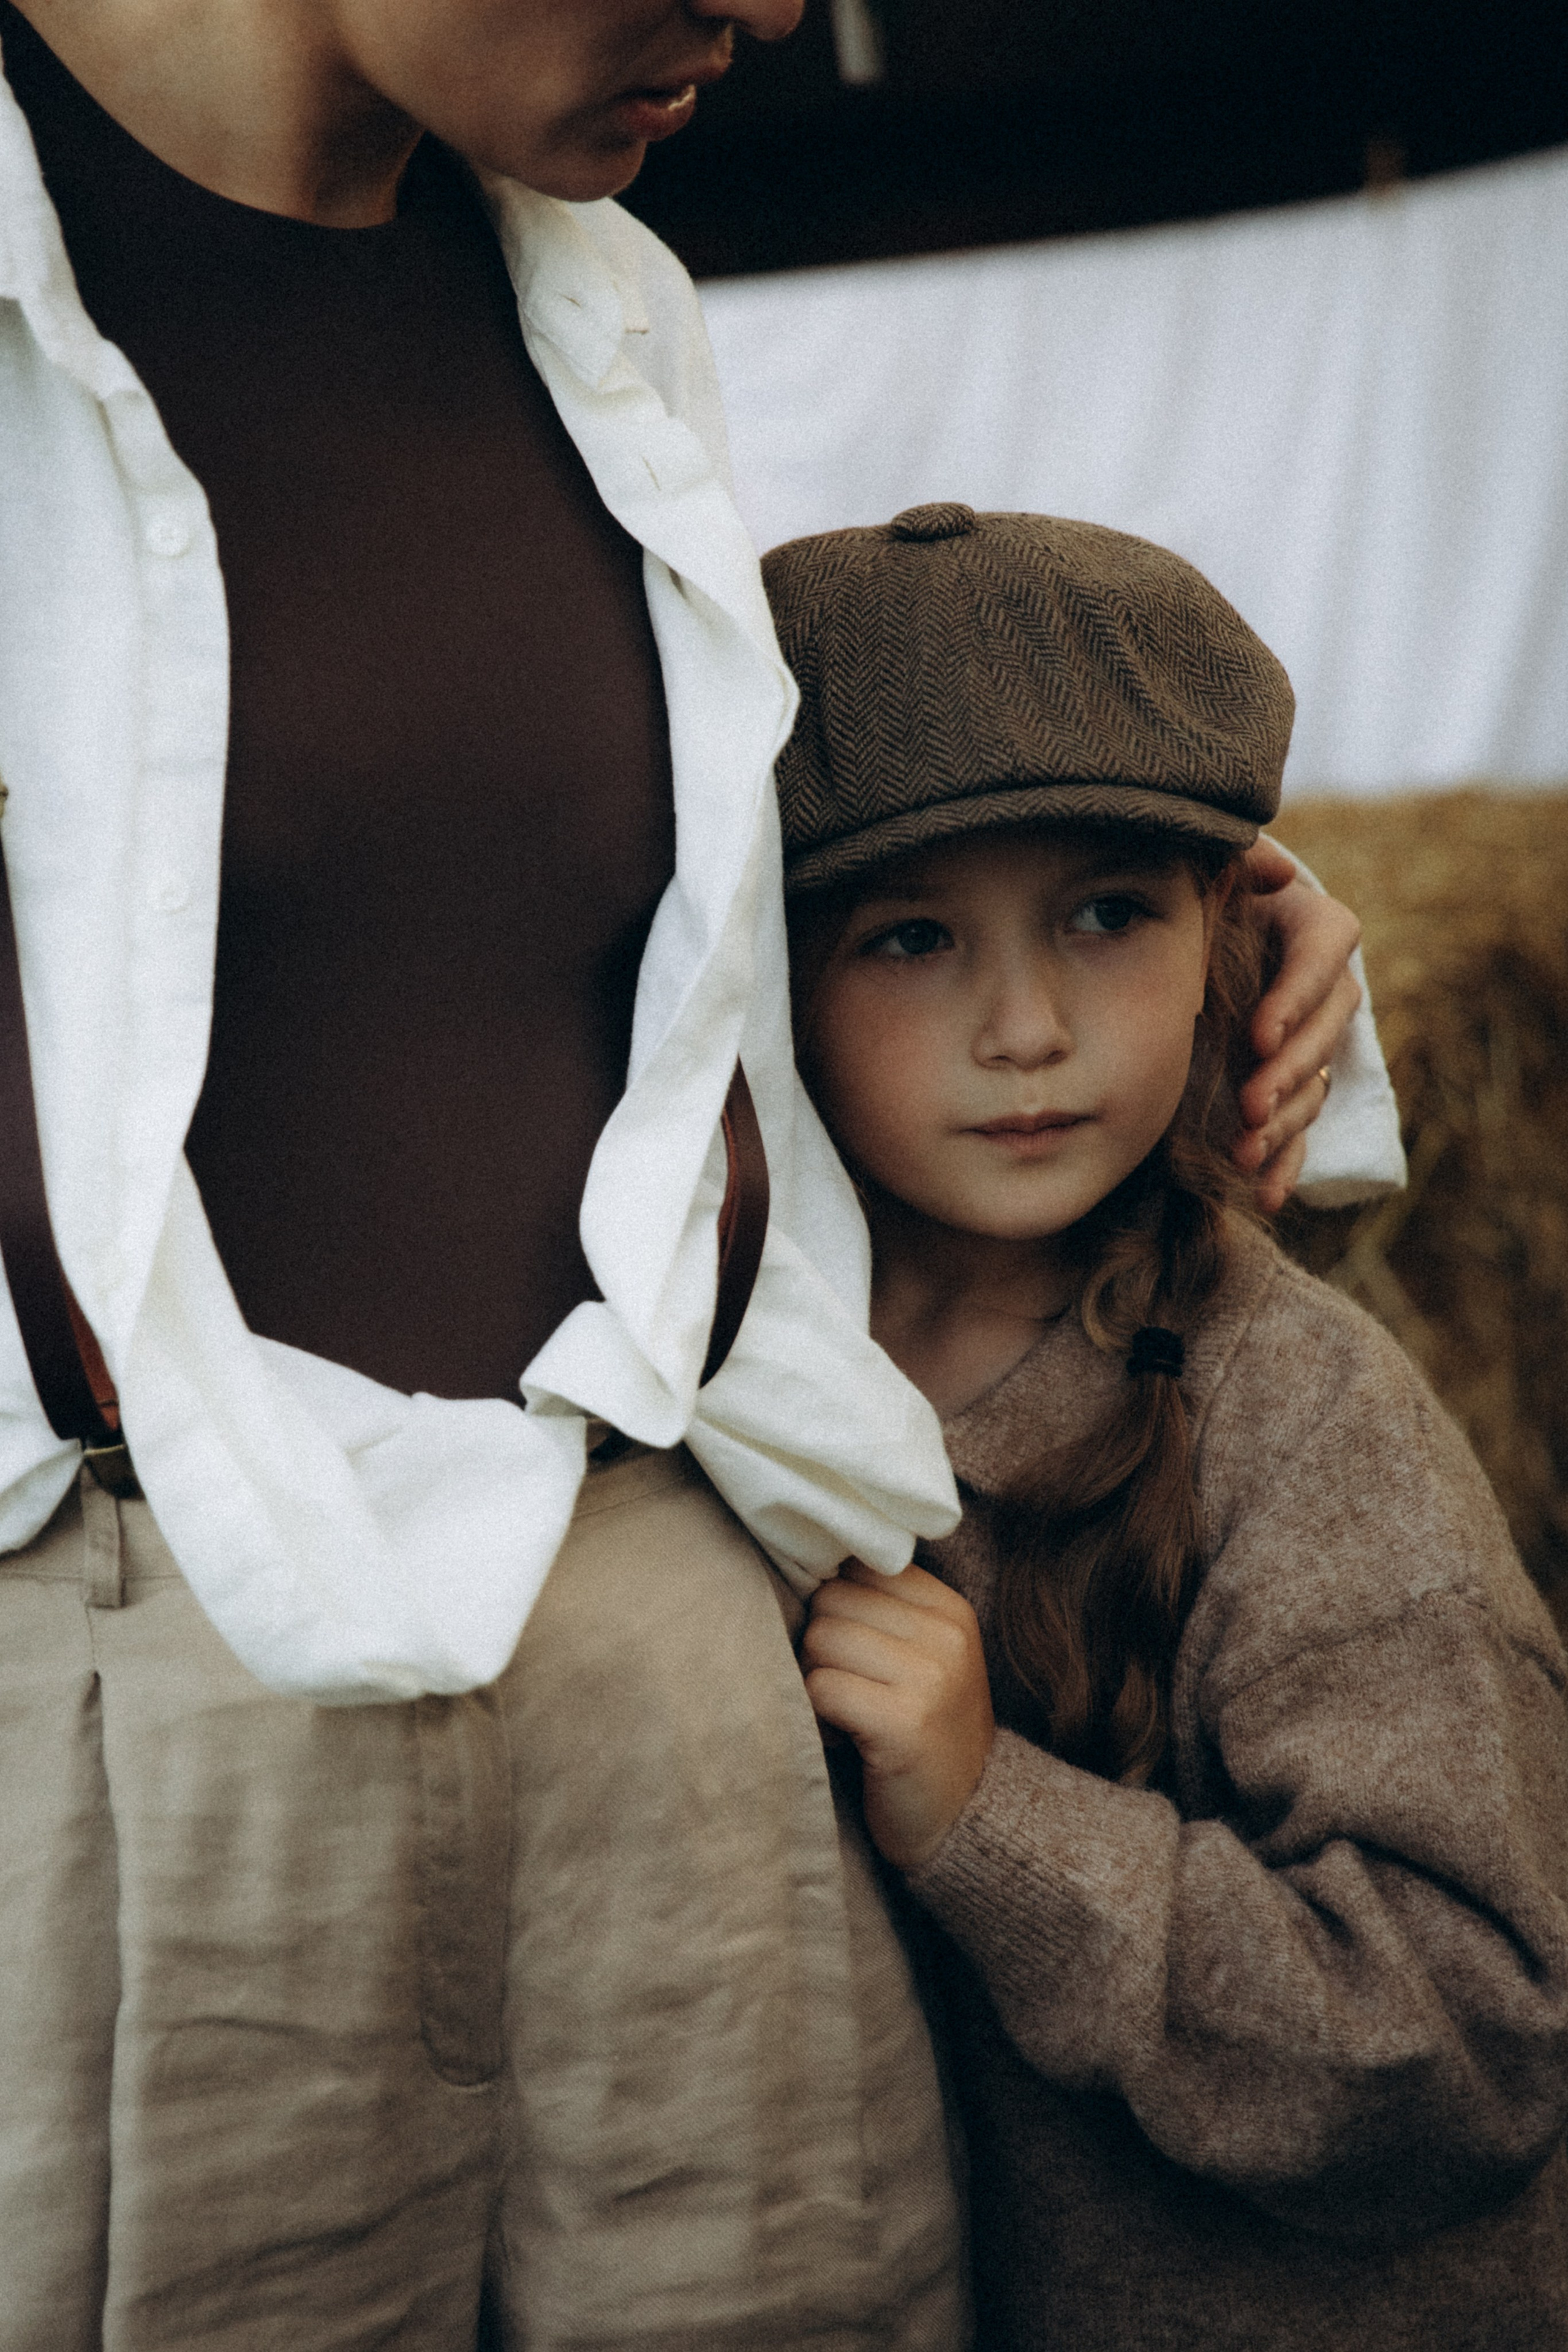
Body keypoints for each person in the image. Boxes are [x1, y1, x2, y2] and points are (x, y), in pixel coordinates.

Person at [0, 0, 1396, 2339]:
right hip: (165, 1679)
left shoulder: (596, 285)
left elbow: (656, 933)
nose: (768, 12)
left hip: (666, 1646)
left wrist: (1193, 889)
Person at [766, 503, 1568, 2351]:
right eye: (908, 938)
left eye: (1108, 914)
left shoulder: (1303, 1423)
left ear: (1236, 934)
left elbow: (1473, 2039)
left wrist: (998, 1823)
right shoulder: (725, 1393)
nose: (1028, 1026)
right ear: (757, 982)